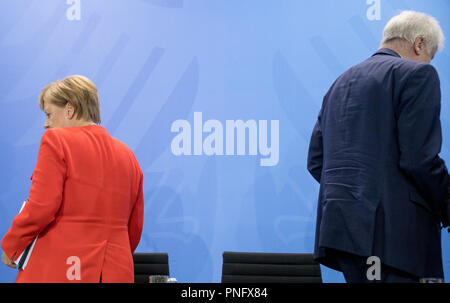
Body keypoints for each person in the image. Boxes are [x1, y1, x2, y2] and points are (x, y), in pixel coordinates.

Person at [307, 11, 449, 283]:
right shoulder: (418, 74)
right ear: (419, 44)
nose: (429, 62)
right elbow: (419, 160)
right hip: (396, 241)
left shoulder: (339, 83)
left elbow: (316, 162)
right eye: (429, 54)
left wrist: (358, 194)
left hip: (345, 239)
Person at [1, 75, 144, 282]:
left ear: (69, 109)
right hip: (117, 270)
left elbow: (41, 207)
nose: (46, 124)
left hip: (62, 267)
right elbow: (135, 226)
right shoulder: (128, 155)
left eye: (49, 114)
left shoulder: (56, 141)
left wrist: (13, 244)